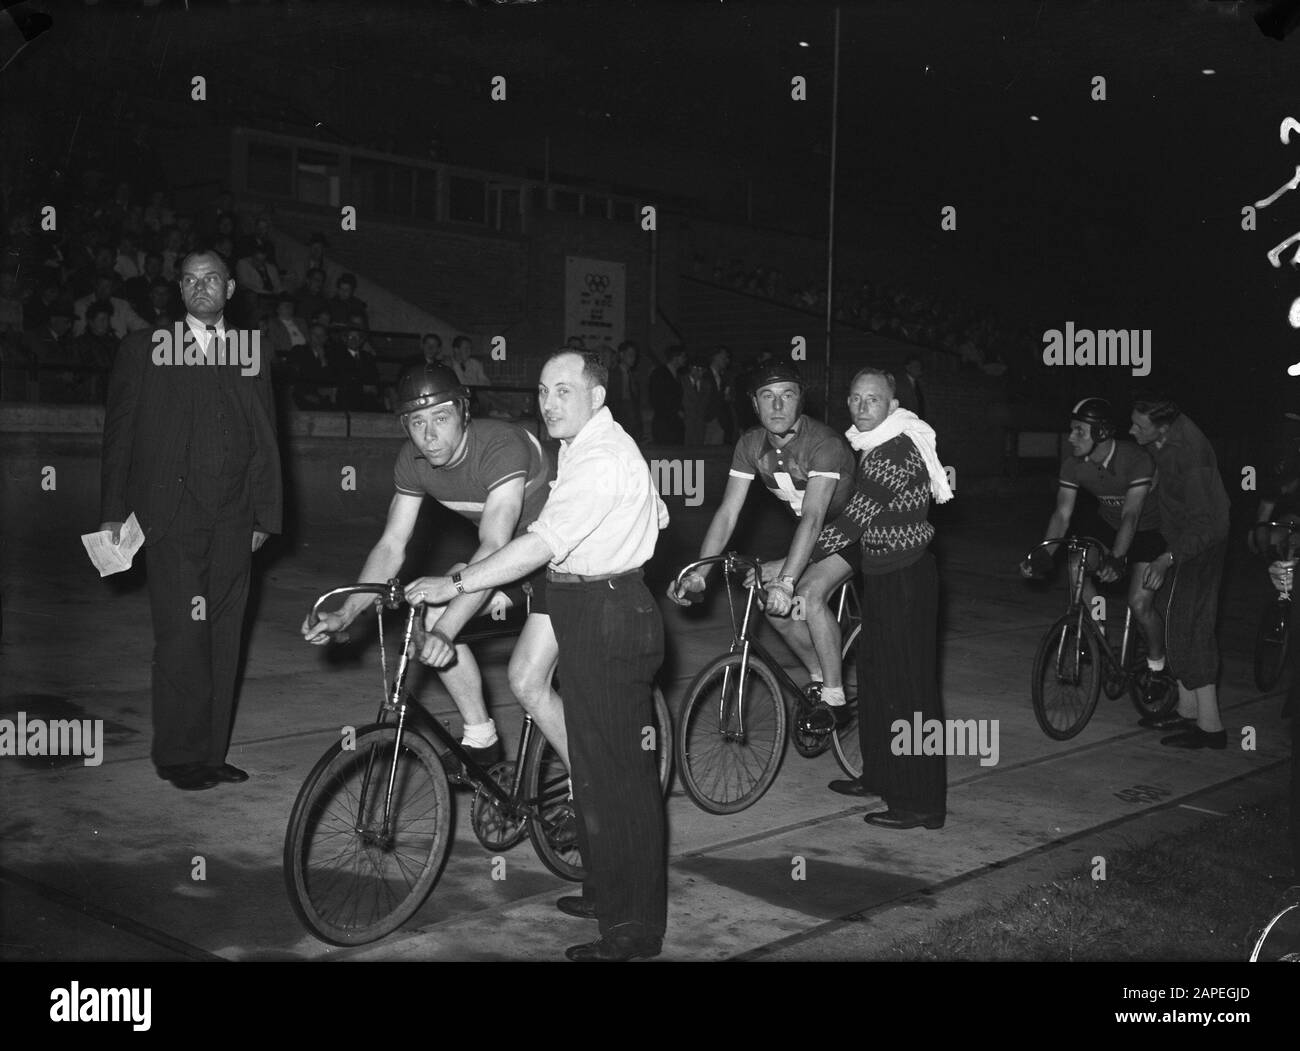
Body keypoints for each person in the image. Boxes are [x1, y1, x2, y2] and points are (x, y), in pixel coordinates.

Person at [407, 350, 669, 962]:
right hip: (582, 601)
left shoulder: (602, 456)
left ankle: (635, 929)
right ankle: (606, 891)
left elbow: (543, 542)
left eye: (564, 391)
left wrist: (458, 583)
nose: (548, 403)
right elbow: (650, 514)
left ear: (597, 397)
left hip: (610, 610)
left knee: (620, 777)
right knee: (593, 767)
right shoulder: (580, 447)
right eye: (544, 391)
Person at [302, 362, 571, 779]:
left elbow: (494, 544)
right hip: (508, 561)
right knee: (429, 613)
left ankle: (587, 787)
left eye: (441, 418)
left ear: (464, 412)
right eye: (417, 422)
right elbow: (391, 546)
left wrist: (446, 631)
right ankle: (481, 738)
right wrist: (346, 612)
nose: (429, 436)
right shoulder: (413, 461)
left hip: (558, 560)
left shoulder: (500, 445)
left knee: (528, 683)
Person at [99, 250, 283, 791]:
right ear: (179, 290)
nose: (201, 287)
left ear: (230, 290)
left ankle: (211, 752)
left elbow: (266, 434)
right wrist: (112, 513)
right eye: (190, 280)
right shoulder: (144, 348)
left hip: (235, 516)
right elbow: (119, 436)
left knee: (225, 635)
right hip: (171, 515)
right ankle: (179, 756)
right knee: (183, 634)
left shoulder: (251, 350)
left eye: (212, 279)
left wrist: (264, 514)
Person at [668, 361, 857, 734]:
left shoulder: (824, 444)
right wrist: (701, 572)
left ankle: (835, 699)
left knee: (806, 595)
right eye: (767, 396)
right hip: (814, 535)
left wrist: (787, 578)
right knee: (771, 604)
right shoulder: (751, 444)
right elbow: (728, 513)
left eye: (787, 395)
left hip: (854, 530)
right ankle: (820, 676)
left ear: (801, 400)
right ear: (754, 404)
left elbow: (814, 518)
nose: (777, 406)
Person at [819, 368, 954, 828]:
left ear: (893, 406)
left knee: (909, 690)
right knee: (876, 682)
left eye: (872, 399)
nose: (861, 407)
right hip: (882, 574)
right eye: (855, 398)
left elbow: (850, 524)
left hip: (906, 579)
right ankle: (880, 775)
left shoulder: (893, 452)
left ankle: (921, 803)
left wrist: (791, 564)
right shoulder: (873, 445)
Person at [1020, 398, 1171, 712]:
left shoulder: (1136, 459)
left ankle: (1157, 666)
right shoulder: (1074, 463)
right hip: (1109, 526)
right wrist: (1044, 554)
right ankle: (1097, 632)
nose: (1071, 437)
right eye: (1071, 429)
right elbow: (1062, 514)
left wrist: (1117, 558)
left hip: (1148, 530)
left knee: (1140, 604)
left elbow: (1132, 514)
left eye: (1079, 431)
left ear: (1101, 432)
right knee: (1076, 559)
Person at [1129, 393, 1231, 749]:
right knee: (1172, 619)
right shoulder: (1164, 440)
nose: (1131, 430)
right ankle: (1188, 713)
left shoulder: (1190, 454)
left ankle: (1211, 728)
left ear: (1162, 427)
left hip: (1200, 547)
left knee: (1192, 627)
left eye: (1138, 426)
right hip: (1180, 541)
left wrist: (1167, 558)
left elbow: (1206, 524)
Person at [649, 345, 686, 443]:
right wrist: (675, 411)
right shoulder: (659, 374)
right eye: (682, 356)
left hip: (674, 423)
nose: (685, 359)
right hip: (664, 423)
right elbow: (657, 398)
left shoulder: (677, 375)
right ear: (675, 358)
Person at [605, 339, 640, 438]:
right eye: (630, 355)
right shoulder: (613, 373)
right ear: (621, 355)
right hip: (618, 413)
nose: (633, 358)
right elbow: (612, 398)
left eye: (634, 355)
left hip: (629, 412)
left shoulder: (632, 374)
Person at [680, 353, 715, 445]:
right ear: (690, 368)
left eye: (702, 370)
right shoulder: (681, 381)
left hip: (700, 425)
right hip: (685, 424)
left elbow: (707, 404)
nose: (698, 372)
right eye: (696, 368)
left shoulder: (707, 385)